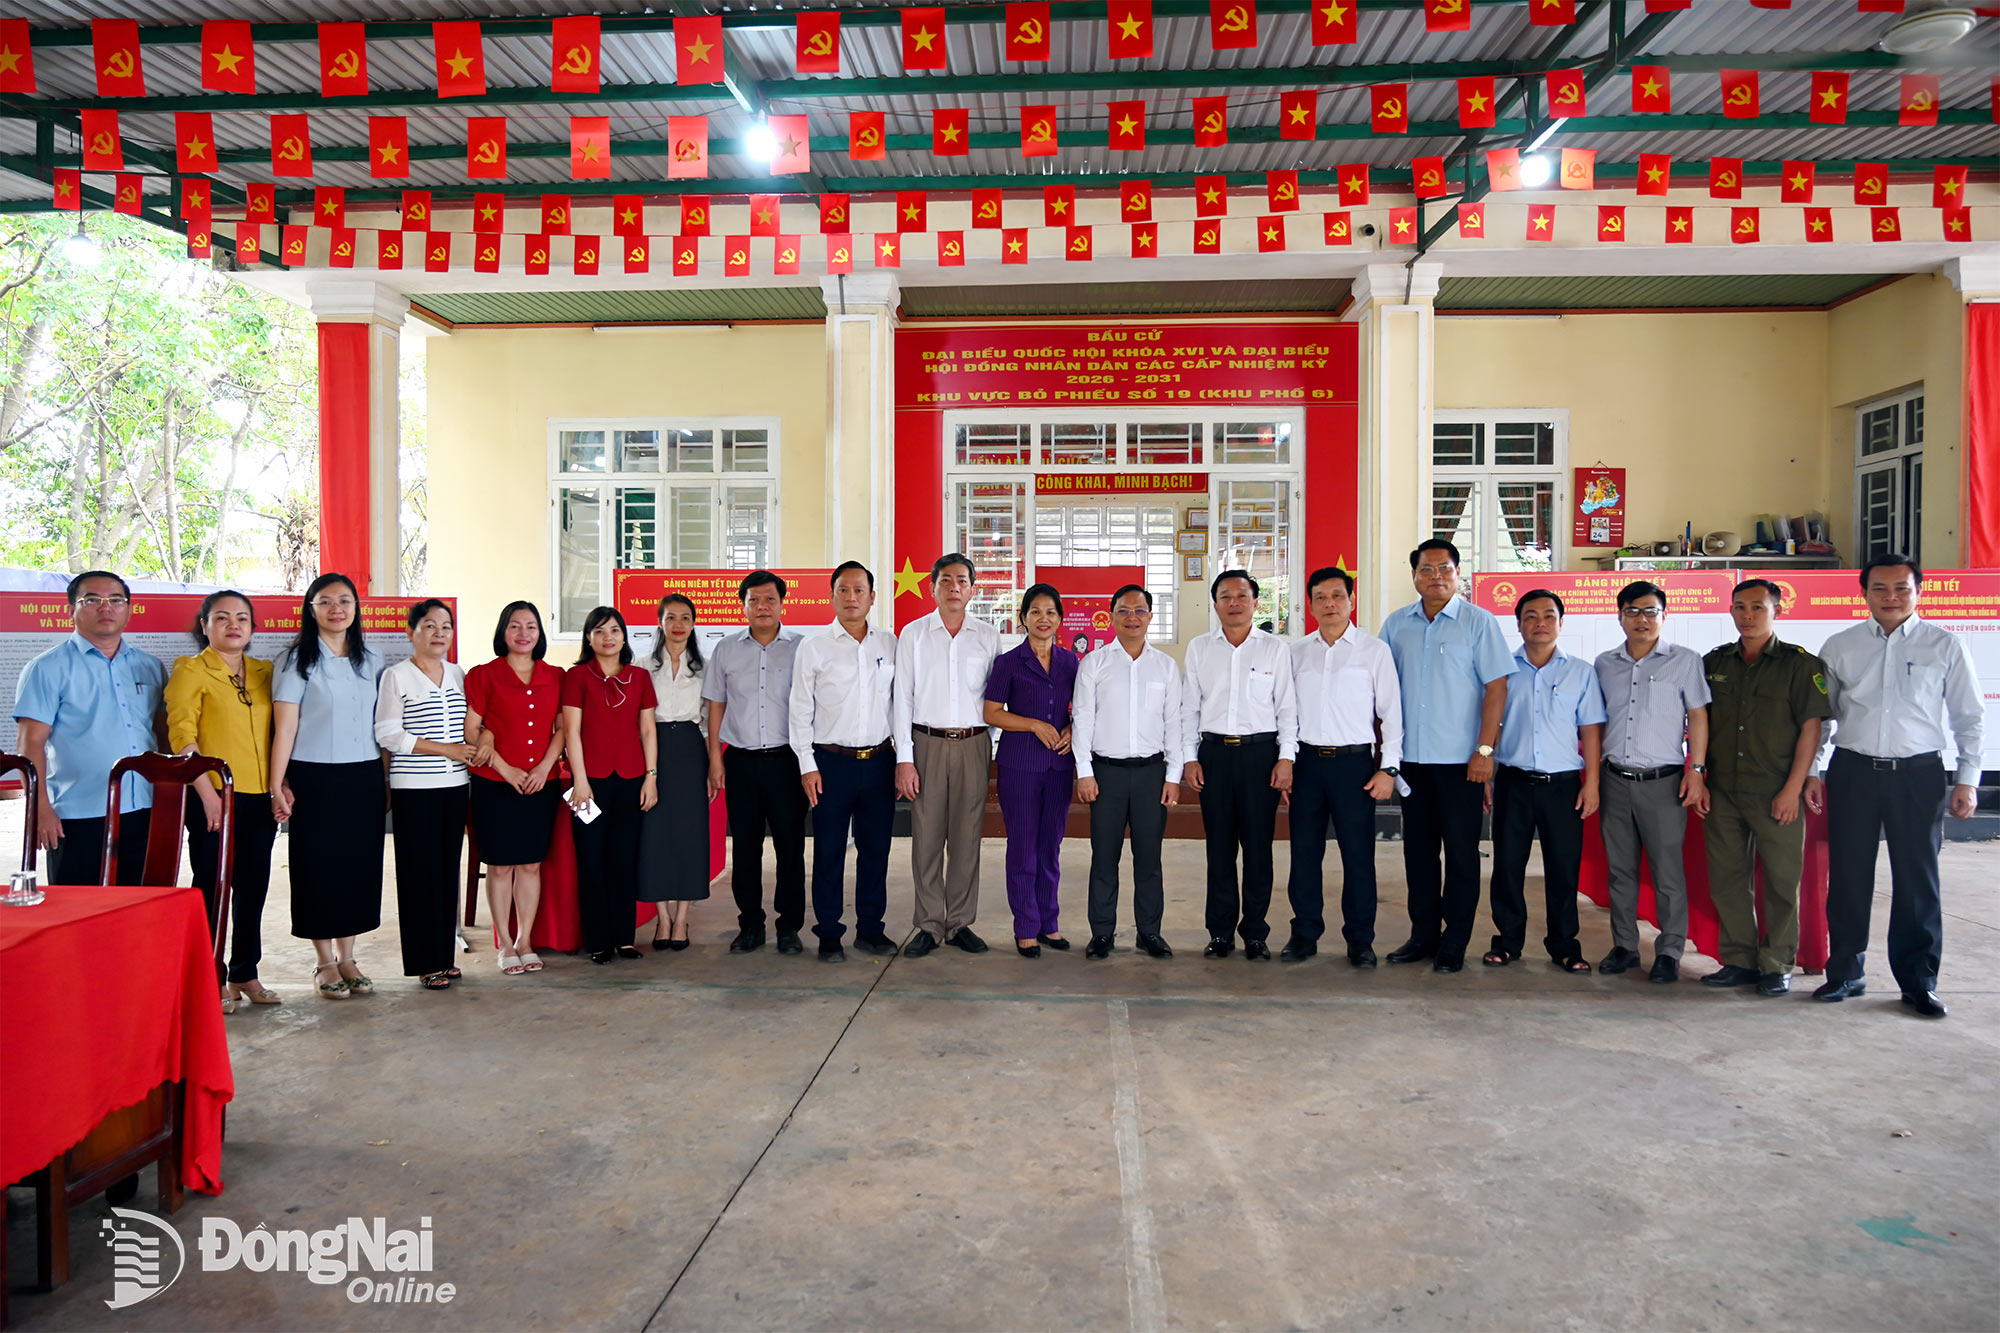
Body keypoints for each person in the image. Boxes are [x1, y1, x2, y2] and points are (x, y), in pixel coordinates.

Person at [1806, 556, 1983, 1019]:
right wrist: (1812, 771)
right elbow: (1822, 718)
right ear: (1863, 593)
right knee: (1848, 876)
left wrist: (1968, 778)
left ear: (1918, 591)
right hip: (1853, 772)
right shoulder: (1840, 646)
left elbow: (1969, 716)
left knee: (1917, 880)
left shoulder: (1944, 645)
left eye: (1902, 588)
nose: (1891, 597)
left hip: (1918, 775)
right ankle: (1845, 972)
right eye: (1880, 588)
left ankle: (1919, 981)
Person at [1379, 540, 1512, 973]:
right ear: (1414, 575)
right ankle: (1423, 935)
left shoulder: (1479, 623)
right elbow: (1380, 688)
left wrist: (1485, 751)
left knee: (1460, 855)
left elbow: (1496, 688)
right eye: (1427, 569)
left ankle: (1454, 941)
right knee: (1418, 855)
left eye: (1445, 569)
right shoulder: (1397, 624)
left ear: (1458, 574)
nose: (1436, 576)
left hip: (1462, 765)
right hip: (1412, 764)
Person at [1697, 580, 1833, 998]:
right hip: (1722, 790)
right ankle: (1739, 960)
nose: (1748, 615)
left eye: (1758, 607)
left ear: (1778, 611)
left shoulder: (1800, 665)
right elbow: (1698, 722)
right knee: (1728, 880)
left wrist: (1793, 788)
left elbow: (1812, 729)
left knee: (1781, 882)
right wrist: (1699, 776)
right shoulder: (1714, 662)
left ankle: (1777, 964)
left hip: (1776, 790)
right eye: (1740, 607)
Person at [271, 573, 387, 1001]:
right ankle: (324, 961)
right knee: (317, 867)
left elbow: (381, 725)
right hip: (314, 776)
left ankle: (348, 956)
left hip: (364, 775)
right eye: (325, 601)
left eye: (344, 600)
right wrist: (276, 784)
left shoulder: (371, 659)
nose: (336, 609)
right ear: (311, 609)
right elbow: (285, 729)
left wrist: (385, 778)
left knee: (358, 866)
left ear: (356, 608)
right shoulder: (295, 660)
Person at [12, 570, 165, 886]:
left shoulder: (150, 666)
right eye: (92, 599)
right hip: (78, 814)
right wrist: (39, 809)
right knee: (80, 908)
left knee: (141, 905)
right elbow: (30, 744)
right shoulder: (47, 668)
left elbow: (162, 736)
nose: (106, 607)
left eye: (116, 600)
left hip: (145, 809)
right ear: (71, 609)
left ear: (128, 609)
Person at [165, 590, 280, 1011]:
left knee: (254, 887)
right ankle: (208, 977)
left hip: (260, 798)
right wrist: (206, 793)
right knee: (212, 886)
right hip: (211, 795)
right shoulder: (190, 669)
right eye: (222, 617)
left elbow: (278, 733)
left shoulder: (265, 672)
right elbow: (182, 735)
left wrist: (281, 784)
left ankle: (245, 972)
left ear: (252, 627)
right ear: (205, 625)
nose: (233, 625)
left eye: (242, 618)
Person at [1593, 580, 1710, 984]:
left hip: (1664, 783)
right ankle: (1625, 946)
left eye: (1649, 611)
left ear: (1664, 615)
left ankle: (1670, 950)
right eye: (1632, 611)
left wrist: (1697, 769)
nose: (1641, 619)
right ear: (1620, 616)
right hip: (1614, 780)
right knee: (1620, 870)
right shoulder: (1604, 664)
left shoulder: (1684, 661)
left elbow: (1698, 716)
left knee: (1667, 872)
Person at [1284, 567, 1402, 967]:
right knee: (1304, 853)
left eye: (1337, 595)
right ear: (1310, 604)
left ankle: (1360, 939)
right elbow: (1285, 713)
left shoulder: (1373, 651)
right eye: (1320, 597)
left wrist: (1388, 768)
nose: (1329, 603)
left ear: (1351, 601)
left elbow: (1391, 713)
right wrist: (1286, 762)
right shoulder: (1296, 652)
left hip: (1355, 766)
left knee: (1357, 855)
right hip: (1307, 764)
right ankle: (1304, 932)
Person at [1485, 590, 1606, 973]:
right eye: (1531, 616)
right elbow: (1491, 723)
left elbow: (1590, 731)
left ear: (1561, 622)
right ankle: (1507, 942)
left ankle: (1565, 945)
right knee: (1507, 866)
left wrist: (1592, 783)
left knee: (1563, 868)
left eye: (1549, 616)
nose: (1540, 623)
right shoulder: (1503, 670)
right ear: (1518, 623)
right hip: (1513, 782)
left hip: (1564, 786)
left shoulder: (1581, 672)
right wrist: (1486, 773)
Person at [1181, 569, 1297, 961]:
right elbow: (1189, 707)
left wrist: (1286, 757)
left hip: (1260, 757)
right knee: (1220, 848)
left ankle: (1256, 933)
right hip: (1214, 756)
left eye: (1242, 596)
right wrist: (1190, 757)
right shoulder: (1200, 648)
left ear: (1255, 602)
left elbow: (1287, 708)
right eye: (1226, 596)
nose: (1234, 603)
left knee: (1258, 848)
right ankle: (1220, 932)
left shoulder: (1274, 649)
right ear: (1215, 604)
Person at [790, 562, 902, 963]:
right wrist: (807, 764)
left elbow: (900, 704)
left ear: (872, 597)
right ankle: (829, 932)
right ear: (831, 596)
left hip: (879, 761)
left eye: (859, 590)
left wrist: (903, 758)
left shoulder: (889, 644)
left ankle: (870, 929)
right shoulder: (814, 646)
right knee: (829, 850)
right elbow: (799, 709)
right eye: (843, 590)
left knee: (876, 850)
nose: (851, 598)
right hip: (830, 764)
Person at [893, 553, 1002, 958]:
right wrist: (905, 758)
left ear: (973, 590)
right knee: (926, 837)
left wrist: (988, 742)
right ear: (932, 588)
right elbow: (902, 698)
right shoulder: (914, 634)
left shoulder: (987, 636)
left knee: (966, 838)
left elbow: (996, 696)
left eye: (962, 581)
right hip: (927, 745)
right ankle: (928, 924)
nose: (954, 587)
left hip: (974, 744)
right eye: (945, 580)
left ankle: (959, 923)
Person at [1072, 584, 1182, 961]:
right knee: (1104, 857)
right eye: (1123, 610)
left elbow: (1174, 723)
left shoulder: (1166, 666)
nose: (1131, 617)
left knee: (1149, 859)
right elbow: (1083, 719)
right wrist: (1084, 771)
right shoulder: (1095, 663)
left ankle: (1149, 932)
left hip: (1152, 774)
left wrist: (1173, 776)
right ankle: (1102, 933)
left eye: (1139, 611)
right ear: (1111, 616)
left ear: (1150, 616)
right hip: (1106, 774)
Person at [375, 599, 478, 991]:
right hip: (414, 788)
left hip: (455, 786)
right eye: (430, 626)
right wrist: (445, 749)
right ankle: (424, 962)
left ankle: (444, 957)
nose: (439, 633)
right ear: (411, 632)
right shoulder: (396, 676)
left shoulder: (458, 674)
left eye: (446, 626)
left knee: (447, 871)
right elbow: (387, 733)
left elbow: (475, 721)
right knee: (419, 876)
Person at [705, 571, 809, 955]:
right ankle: (750, 924)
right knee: (746, 850)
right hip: (742, 763)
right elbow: (716, 706)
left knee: (790, 848)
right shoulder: (726, 649)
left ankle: (789, 927)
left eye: (769, 600)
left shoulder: (802, 648)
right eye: (754, 600)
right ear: (743, 605)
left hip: (787, 762)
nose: (762, 607)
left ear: (783, 604)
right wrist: (715, 759)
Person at [464, 602, 565, 975]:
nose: (524, 633)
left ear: (540, 633)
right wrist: (505, 770)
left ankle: (525, 941)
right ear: (503, 632)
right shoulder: (483, 675)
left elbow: (562, 729)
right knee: (500, 866)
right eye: (515, 626)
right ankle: (505, 944)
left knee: (531, 864)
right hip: (495, 784)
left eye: (531, 626)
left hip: (541, 783)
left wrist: (544, 767)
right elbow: (471, 730)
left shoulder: (555, 676)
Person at [983, 583, 1079, 958]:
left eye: (1051, 612)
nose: (1043, 618)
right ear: (1022, 618)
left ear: (1060, 618)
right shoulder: (1008, 662)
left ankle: (1048, 923)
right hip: (1019, 765)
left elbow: (1082, 708)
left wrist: (1072, 728)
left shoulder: (1071, 662)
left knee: (1050, 846)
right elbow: (992, 713)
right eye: (1035, 611)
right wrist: (1034, 724)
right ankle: (1025, 926)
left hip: (1059, 765)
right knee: (1023, 847)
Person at [561, 605, 658, 965]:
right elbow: (571, 732)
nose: (608, 637)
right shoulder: (577, 677)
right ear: (589, 638)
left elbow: (647, 730)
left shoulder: (639, 677)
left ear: (624, 636)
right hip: (590, 784)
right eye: (599, 631)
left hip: (631, 780)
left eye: (614, 630)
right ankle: (598, 941)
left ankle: (624, 938)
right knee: (592, 861)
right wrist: (580, 781)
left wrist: (651, 777)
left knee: (623, 860)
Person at [638, 594, 711, 949]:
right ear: (660, 622)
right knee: (654, 837)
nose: (678, 624)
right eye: (670, 617)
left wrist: (712, 766)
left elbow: (709, 721)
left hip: (690, 751)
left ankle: (682, 918)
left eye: (685, 618)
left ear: (694, 624)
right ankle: (662, 918)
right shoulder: (642, 666)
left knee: (689, 837)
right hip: (652, 751)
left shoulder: (705, 667)